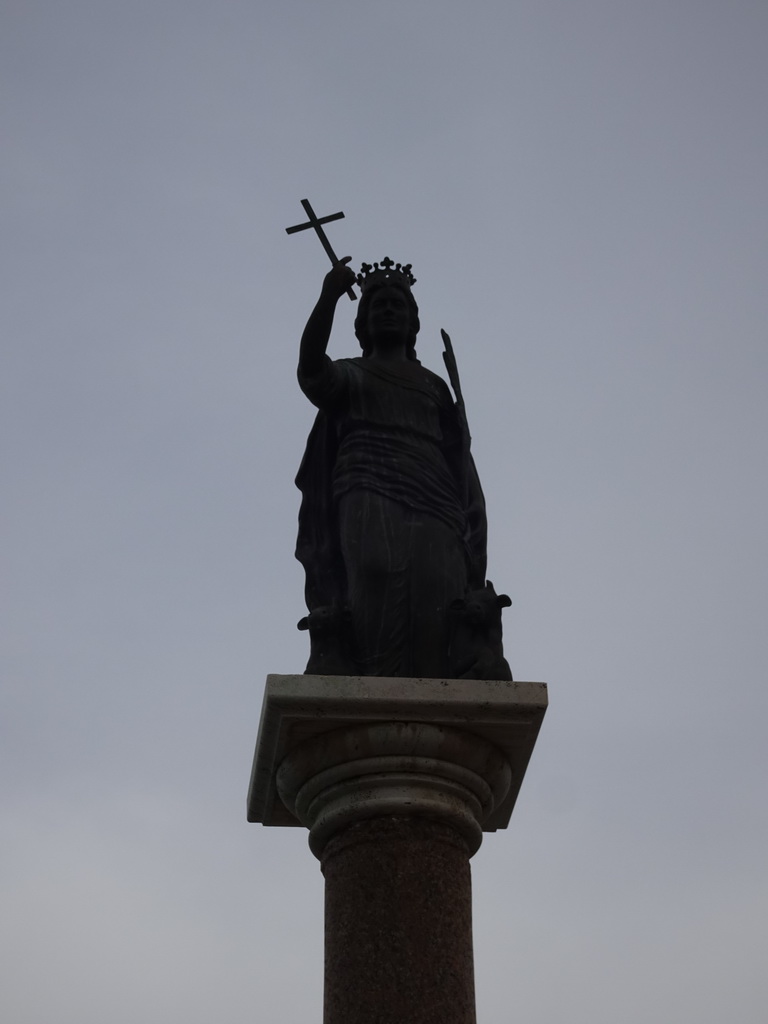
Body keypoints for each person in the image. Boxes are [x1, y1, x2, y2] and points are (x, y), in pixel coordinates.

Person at [295, 256, 495, 678]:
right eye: (379, 304)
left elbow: (459, 456)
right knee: (374, 577)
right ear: (363, 322)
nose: (389, 310)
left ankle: (435, 682)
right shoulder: (351, 373)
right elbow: (312, 371)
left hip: (437, 499)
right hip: (367, 486)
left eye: (398, 305)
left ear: (412, 323)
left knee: (438, 589)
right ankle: (372, 679)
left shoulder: (434, 386)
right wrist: (328, 297)